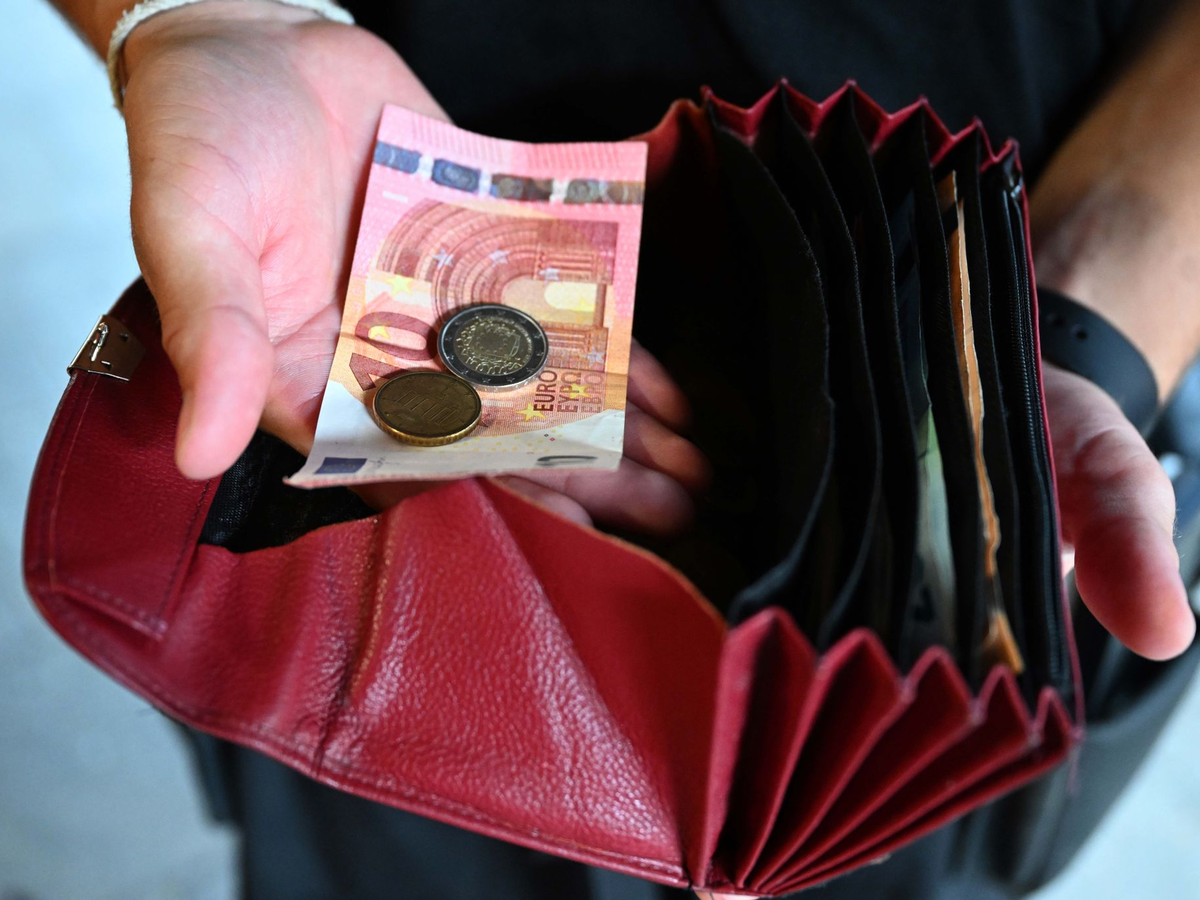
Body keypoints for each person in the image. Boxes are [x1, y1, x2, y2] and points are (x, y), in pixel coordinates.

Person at [43, 0, 1200, 897]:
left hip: (954, 363)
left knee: (863, 822)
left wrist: (1051, 325)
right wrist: (194, 17)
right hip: (367, 266)